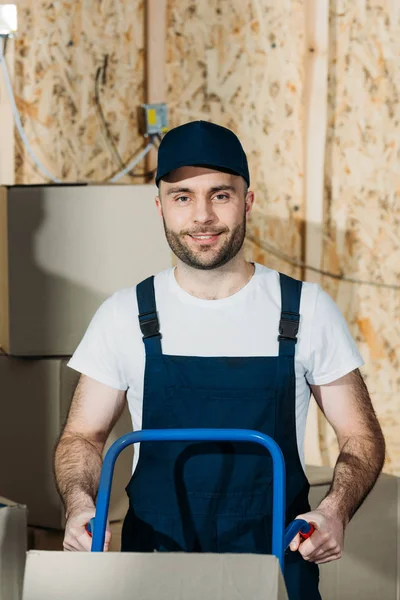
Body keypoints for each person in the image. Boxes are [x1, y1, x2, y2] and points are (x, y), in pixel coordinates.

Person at [54, 121, 385, 600]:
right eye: (183, 196)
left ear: (247, 201)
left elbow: (361, 435)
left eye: (221, 195)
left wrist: (335, 511)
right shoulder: (124, 314)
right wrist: (81, 505)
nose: (202, 216)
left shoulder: (306, 310)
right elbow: (82, 436)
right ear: (161, 206)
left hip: (275, 557)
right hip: (154, 564)